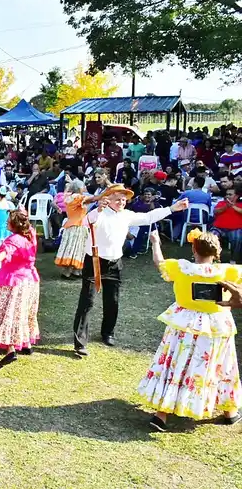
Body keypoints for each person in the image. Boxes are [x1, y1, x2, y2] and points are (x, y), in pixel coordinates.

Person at [139, 230, 241, 431]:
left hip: (185, 322)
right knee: (221, 364)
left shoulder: (181, 268)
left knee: (176, 363)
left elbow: (159, 263)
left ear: (194, 248)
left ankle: (162, 415)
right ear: (217, 251)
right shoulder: (229, 271)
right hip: (218, 324)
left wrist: (156, 242)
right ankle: (230, 412)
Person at [72, 184, 189, 356]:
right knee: (87, 301)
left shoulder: (126, 215)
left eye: (124, 200)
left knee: (112, 300)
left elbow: (148, 217)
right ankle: (80, 342)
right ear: (108, 199)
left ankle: (108, 333)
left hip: (114, 262)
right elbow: (86, 221)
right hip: (95, 261)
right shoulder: (98, 213)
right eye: (118, 199)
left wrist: (172, 208)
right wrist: (98, 209)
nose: (122, 202)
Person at [0, 209, 40, 366]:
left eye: (8, 220)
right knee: (24, 312)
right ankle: (27, 344)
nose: (6, 222)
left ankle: (11, 349)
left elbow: (7, 250)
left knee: (9, 313)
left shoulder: (14, 239)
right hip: (30, 281)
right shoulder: (30, 234)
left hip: (14, 282)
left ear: (14, 225)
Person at [55, 180, 92, 279]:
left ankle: (74, 271)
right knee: (74, 248)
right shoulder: (79, 198)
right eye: (83, 186)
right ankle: (69, 272)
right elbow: (92, 199)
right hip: (77, 225)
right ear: (80, 188)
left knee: (72, 248)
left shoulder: (69, 197)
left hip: (71, 224)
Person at [210, 187, 242, 264]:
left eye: (230, 194)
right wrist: (226, 206)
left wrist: (233, 206)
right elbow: (215, 211)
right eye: (227, 194)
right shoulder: (221, 203)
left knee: (237, 238)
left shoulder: (240, 204)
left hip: (235, 228)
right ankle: (212, 258)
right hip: (219, 228)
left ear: (236, 196)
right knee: (211, 237)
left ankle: (233, 259)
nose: (227, 196)